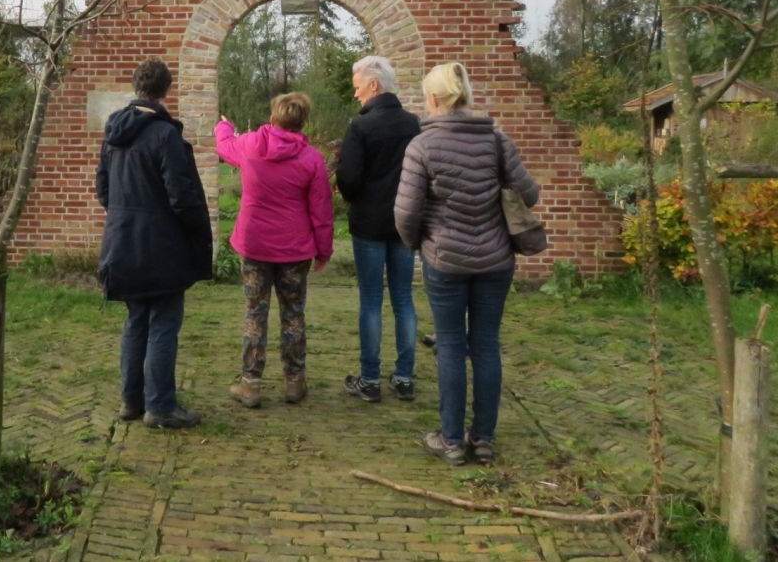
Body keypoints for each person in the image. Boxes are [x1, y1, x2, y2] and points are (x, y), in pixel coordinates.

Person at [394, 62, 539, 465]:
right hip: (496, 260)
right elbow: (529, 194)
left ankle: (452, 440)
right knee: (487, 345)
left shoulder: (422, 147)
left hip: (446, 261)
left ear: (435, 99)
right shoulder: (496, 140)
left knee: (452, 347)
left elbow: (406, 213)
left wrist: (419, 244)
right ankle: (484, 439)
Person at [96, 59, 213, 429]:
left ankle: (131, 401)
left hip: (121, 243)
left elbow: (103, 191)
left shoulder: (112, 135)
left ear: (136, 87)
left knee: (136, 321)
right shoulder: (165, 135)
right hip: (160, 247)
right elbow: (183, 196)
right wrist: (195, 231)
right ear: (167, 89)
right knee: (163, 321)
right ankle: (160, 406)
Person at [215, 93, 334, 408]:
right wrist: (323, 251)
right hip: (295, 250)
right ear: (301, 121)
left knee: (255, 312)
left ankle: (251, 384)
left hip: (254, 245)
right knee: (293, 313)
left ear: (273, 117)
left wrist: (224, 128)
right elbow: (321, 210)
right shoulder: (312, 159)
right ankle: (295, 382)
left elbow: (225, 148)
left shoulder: (251, 146)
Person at [336, 56, 422, 403]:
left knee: (371, 300)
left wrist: (353, 195)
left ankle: (370, 379)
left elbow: (349, 178)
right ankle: (404, 377)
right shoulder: (413, 124)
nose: (356, 94)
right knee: (404, 298)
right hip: (404, 224)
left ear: (374, 85)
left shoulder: (361, 127)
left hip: (369, 225)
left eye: (357, 87)